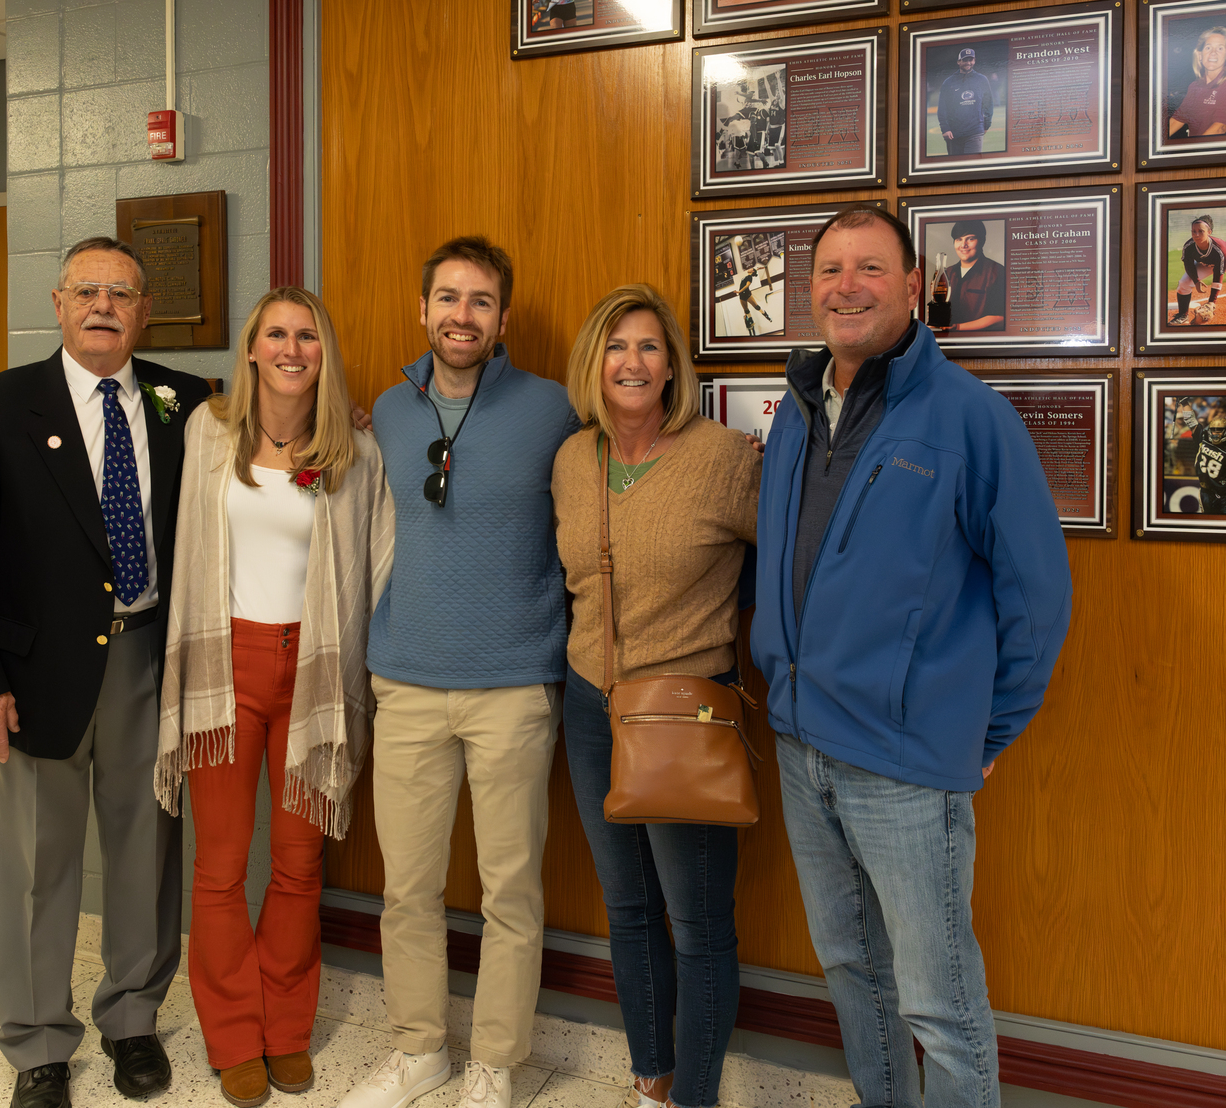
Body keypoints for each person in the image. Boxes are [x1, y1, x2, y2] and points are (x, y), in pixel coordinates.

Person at [750, 204, 1072, 1108]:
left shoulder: (970, 418)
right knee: (853, 969)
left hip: (905, 766)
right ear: (809, 291)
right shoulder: (800, 411)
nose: (847, 286)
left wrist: (985, 729)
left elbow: (1038, 600)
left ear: (912, 283)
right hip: (800, 745)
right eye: (830, 271)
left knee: (939, 1001)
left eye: (870, 269)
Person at [0, 236, 212, 1108]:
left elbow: (275, 441)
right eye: (86, 290)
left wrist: (341, 422)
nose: (103, 305)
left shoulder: (188, 401)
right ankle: (38, 1044)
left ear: (144, 311)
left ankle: (132, 1019)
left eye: (122, 292)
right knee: (36, 863)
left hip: (148, 657)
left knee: (146, 851)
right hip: (32, 674)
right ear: (57, 304)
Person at [334, 236, 579, 1108]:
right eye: (447, 298)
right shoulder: (389, 413)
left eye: (480, 301)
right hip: (404, 679)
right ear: (423, 310)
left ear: (503, 318)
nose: (461, 316)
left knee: (510, 888)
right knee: (409, 887)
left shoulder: (552, 409)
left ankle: (497, 1064)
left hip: (515, 683)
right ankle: (419, 1051)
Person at [153, 288, 395, 1106]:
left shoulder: (353, 445)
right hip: (224, 670)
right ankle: (231, 1037)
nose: (292, 349)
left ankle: (285, 1029)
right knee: (220, 871)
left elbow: (379, 561)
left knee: (297, 868)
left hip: (316, 675)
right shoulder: (206, 433)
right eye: (277, 335)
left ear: (324, 353)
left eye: (308, 337)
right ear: (252, 350)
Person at [550, 285, 760, 1108]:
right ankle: (653, 1082)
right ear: (593, 364)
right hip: (589, 703)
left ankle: (697, 1097)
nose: (631, 362)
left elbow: (785, 572)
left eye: (647, 347)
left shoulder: (724, 457)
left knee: (699, 923)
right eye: (615, 346)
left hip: (684, 711)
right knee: (629, 907)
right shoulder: (573, 459)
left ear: (672, 365)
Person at [944, 219, 1006, 331]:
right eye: (959, 239)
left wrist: (957, 327)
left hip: (983, 344)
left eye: (970, 239)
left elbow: (1000, 318)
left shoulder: (997, 272)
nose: (963, 245)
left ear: (982, 240)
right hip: (949, 343)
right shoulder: (947, 273)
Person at [1169, 27, 1226, 138]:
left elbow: (1220, 127)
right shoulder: (1195, 87)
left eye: (1220, 48)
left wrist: (1194, 150)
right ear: (1200, 55)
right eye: (1208, 47)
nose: (1213, 53)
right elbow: (1178, 119)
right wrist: (1154, 143)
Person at [1173, 397, 1226, 512]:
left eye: (1219, 430)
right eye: (1213, 429)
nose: (1215, 433)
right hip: (1205, 490)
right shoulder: (1203, 437)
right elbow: (1191, 421)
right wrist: (1184, 402)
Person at [936, 47, 992, 156]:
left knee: (972, 165)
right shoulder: (949, 82)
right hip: (954, 133)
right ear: (959, 62)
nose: (968, 63)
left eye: (971, 60)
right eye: (965, 60)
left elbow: (988, 104)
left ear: (974, 61)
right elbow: (942, 107)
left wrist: (986, 125)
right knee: (956, 167)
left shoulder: (982, 80)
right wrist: (945, 129)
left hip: (975, 131)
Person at [1171, 215, 1225, 325]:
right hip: (1204, 263)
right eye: (1193, 231)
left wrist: (1211, 302)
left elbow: (1218, 274)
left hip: (1222, 261)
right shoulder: (1189, 246)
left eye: (1201, 231)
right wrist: (1196, 280)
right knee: (1184, 283)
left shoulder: (1220, 249)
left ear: (1209, 232)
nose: (1196, 235)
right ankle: (1183, 316)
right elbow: (1189, 265)